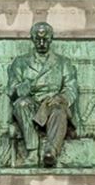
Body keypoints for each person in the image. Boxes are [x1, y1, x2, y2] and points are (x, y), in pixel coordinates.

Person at [6, 21, 80, 168]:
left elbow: (71, 88)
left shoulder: (63, 63)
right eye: (38, 39)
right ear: (32, 39)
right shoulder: (20, 62)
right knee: (21, 103)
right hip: (31, 105)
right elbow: (11, 89)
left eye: (45, 39)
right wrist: (22, 88)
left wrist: (61, 97)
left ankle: (51, 152)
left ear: (51, 39)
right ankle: (32, 152)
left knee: (59, 111)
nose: (41, 43)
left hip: (52, 105)